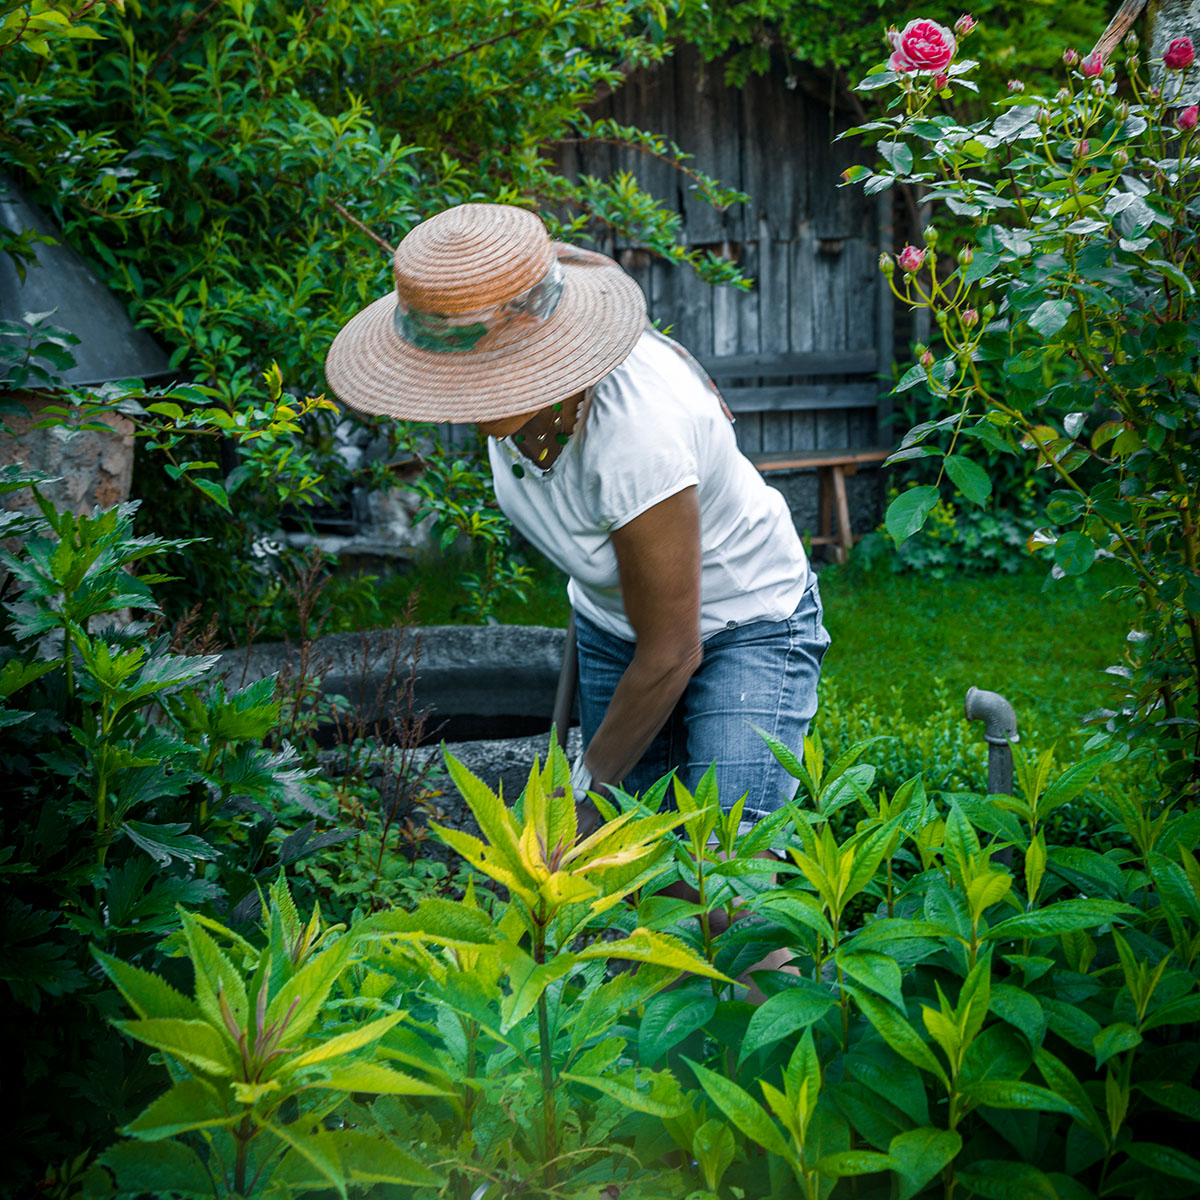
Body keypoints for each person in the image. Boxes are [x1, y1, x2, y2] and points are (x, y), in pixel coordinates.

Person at [326, 202, 830, 826]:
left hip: (743, 619)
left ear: (538, 350)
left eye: (472, 370)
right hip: (613, 625)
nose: (453, 394)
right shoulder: (514, 395)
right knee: (639, 851)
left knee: (725, 875)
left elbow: (672, 649)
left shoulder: (639, 437)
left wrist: (586, 789)